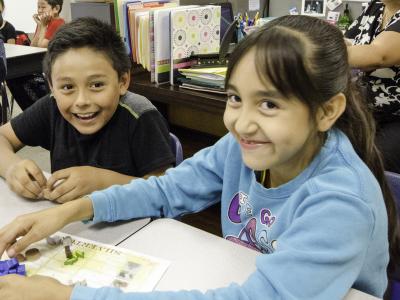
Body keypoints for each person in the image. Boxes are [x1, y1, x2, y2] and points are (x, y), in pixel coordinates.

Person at [0, 15, 398, 300]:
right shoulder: (243, 147)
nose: (242, 123)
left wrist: (68, 295)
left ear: (327, 111)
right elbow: (167, 190)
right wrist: (71, 211)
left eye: (270, 105)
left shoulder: (340, 200)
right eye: (235, 98)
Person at [0, 17, 175, 203]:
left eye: (97, 85)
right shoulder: (52, 106)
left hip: (134, 227)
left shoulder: (141, 116)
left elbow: (166, 191)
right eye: (67, 87)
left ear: (123, 81)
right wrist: (12, 168)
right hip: (72, 225)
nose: (82, 101)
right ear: (51, 86)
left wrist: (101, 182)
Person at [345, 0, 400, 173]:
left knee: (374, 166)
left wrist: (308, 50)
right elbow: (346, 41)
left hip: (395, 117)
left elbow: (378, 55)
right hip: (365, 112)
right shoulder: (375, 8)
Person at [6, 0, 65, 111]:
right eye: (38, 7)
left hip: (50, 71)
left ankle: (38, 110)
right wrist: (40, 26)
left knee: (20, 80)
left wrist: (42, 27)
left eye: (43, 7)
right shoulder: (44, 23)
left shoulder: (58, 23)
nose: (39, 10)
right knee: (12, 78)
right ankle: (30, 111)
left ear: (56, 9)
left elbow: (41, 48)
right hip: (40, 67)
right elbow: (33, 46)